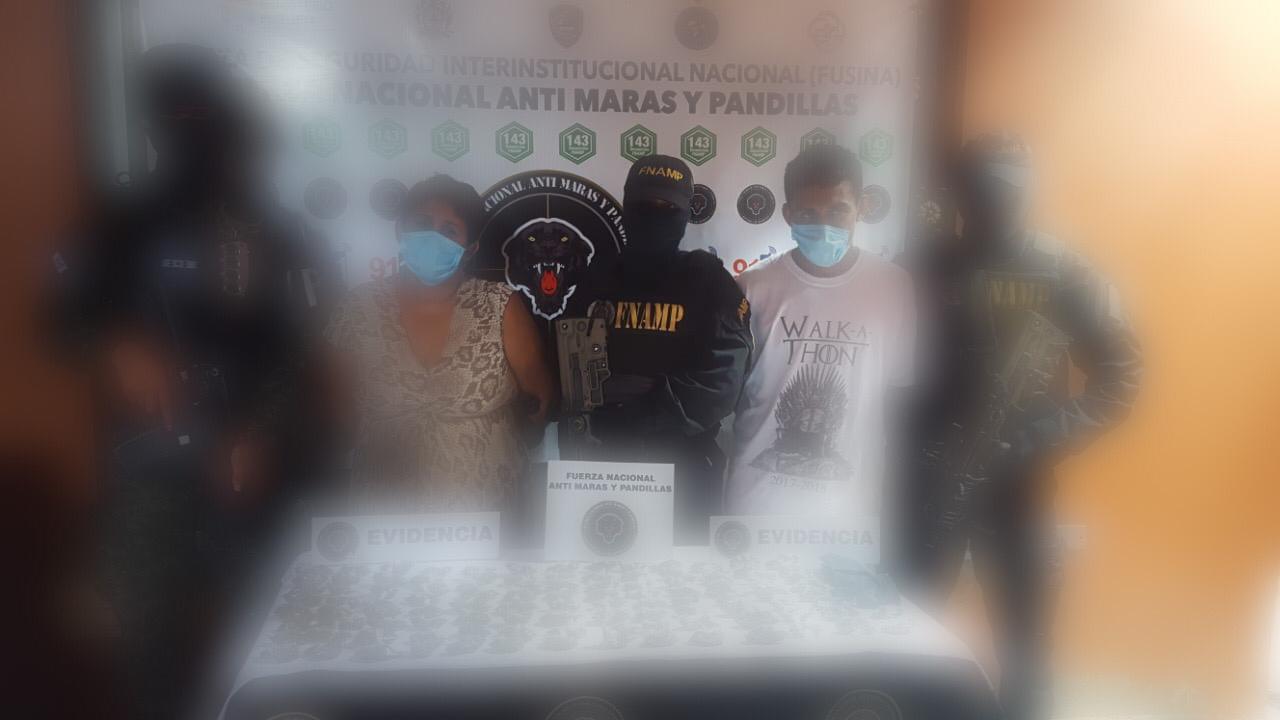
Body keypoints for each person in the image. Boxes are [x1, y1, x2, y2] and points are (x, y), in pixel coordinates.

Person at [58, 44, 336, 718]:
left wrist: (261, 435)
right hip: (151, 471)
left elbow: (298, 360)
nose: (198, 144)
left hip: (247, 469)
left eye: (209, 126)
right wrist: (113, 342)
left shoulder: (273, 235)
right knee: (147, 650)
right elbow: (63, 315)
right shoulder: (123, 227)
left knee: (266, 646)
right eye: (180, 124)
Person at [896, 132, 1143, 720]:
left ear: (1026, 192)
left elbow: (1121, 372)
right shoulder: (926, 263)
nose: (990, 201)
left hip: (1018, 484)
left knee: (1025, 647)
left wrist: (1043, 434)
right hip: (934, 479)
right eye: (979, 189)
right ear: (959, 192)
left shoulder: (1061, 271)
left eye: (1004, 189)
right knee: (908, 631)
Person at [325, 174, 554, 511]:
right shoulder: (358, 308)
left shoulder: (500, 305)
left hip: (487, 509)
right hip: (384, 511)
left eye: (449, 231)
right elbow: (332, 407)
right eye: (423, 224)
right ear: (400, 230)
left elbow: (539, 400)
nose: (434, 237)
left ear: (470, 248)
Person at [566, 155, 753, 543]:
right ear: (625, 206)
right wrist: (618, 393)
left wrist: (643, 405)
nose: (654, 216)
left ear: (685, 215)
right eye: (643, 206)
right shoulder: (598, 276)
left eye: (667, 208)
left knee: (684, 572)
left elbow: (722, 382)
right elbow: (574, 374)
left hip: (684, 468)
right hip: (604, 462)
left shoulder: (708, 280)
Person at [727, 146, 917, 525]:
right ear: (788, 214)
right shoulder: (752, 287)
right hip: (757, 501)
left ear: (861, 207)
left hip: (849, 509)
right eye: (808, 215)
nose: (824, 225)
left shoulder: (893, 287)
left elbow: (897, 397)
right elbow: (731, 392)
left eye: (838, 211)